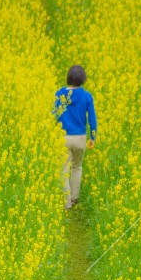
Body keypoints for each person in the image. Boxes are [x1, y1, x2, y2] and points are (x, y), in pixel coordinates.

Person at [52, 65, 97, 210]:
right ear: (83, 79)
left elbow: (54, 114)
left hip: (63, 138)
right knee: (77, 167)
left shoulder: (59, 94)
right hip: (80, 138)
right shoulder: (86, 96)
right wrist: (93, 137)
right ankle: (74, 199)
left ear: (68, 78)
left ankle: (66, 203)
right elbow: (92, 118)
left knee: (64, 170)